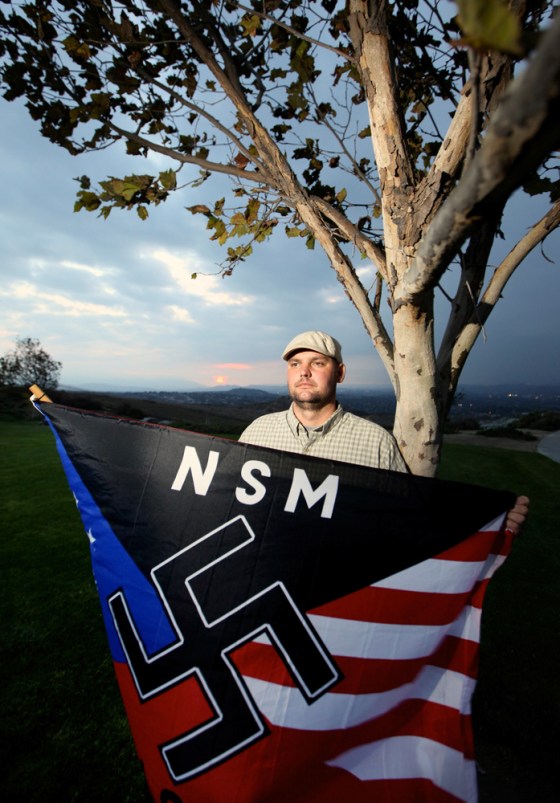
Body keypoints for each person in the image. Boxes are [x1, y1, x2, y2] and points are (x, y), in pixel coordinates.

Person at [239, 330, 529, 535]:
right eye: (295, 364)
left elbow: (408, 516)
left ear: (340, 373)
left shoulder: (375, 442)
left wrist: (491, 516)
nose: (304, 372)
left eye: (317, 363)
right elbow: (222, 498)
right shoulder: (257, 433)